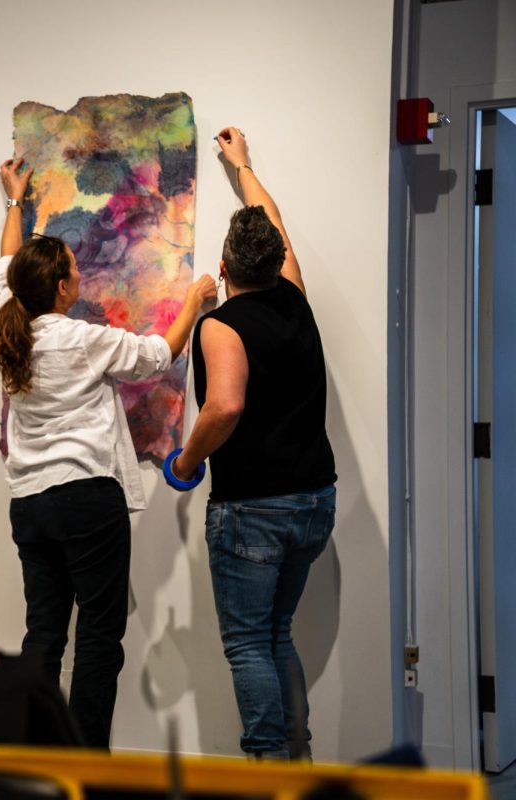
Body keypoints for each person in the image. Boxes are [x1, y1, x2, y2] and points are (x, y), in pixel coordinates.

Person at [0, 156, 216, 749]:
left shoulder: (6, 325)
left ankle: (39, 754)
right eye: (73, 270)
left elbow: (2, 269)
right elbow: (156, 356)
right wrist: (194, 300)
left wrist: (15, 201)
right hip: (87, 500)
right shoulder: (82, 339)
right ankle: (89, 760)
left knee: (43, 635)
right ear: (64, 286)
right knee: (98, 635)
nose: (78, 275)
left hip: (29, 505)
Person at [168, 127, 337, 760]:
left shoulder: (221, 326)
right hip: (314, 499)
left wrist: (185, 462)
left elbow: (225, 406)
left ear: (224, 266)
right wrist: (243, 168)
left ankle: (269, 769)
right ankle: (296, 756)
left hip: (254, 510)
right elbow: (276, 224)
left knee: (246, 644)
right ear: (273, 262)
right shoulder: (295, 297)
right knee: (277, 633)